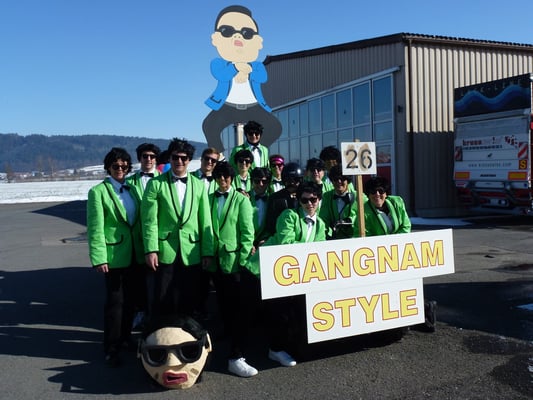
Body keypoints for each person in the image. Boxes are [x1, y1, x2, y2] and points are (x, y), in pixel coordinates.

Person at [246, 181, 327, 368]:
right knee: (269, 312)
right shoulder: (289, 215)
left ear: (319, 200)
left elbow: (320, 250)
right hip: (263, 270)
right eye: (304, 200)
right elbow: (286, 245)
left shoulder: (321, 224)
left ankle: (281, 346)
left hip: (291, 274)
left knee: (287, 312)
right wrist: (311, 249)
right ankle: (272, 350)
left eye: (313, 199)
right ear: (298, 201)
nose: (309, 203)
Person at [141, 138, 214, 320]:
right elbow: (149, 221)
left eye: (183, 158)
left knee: (189, 297)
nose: (179, 161)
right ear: (170, 158)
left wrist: (207, 251)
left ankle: (186, 333)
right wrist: (151, 249)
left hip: (192, 250)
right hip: (165, 250)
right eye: (175, 157)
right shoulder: (155, 184)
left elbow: (205, 220)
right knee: (164, 298)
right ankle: (164, 333)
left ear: (189, 160)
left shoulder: (198, 185)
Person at [87, 147, 143, 367]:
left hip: (134, 255)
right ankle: (111, 347)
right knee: (115, 304)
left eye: (124, 166)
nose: (120, 169)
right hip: (113, 256)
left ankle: (126, 337)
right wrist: (99, 258)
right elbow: (95, 228)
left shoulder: (133, 189)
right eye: (116, 166)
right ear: (108, 168)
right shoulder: (98, 192)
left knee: (131, 301)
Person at [202, 5, 282, 151]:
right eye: (227, 31)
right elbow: (220, 74)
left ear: (258, 42)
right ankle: (219, 156)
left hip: (253, 106)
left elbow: (262, 77)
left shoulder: (256, 66)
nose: (238, 36)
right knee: (209, 126)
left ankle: (255, 150)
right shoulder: (219, 63)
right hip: (227, 106)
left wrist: (248, 69)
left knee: (275, 127)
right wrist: (236, 67)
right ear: (215, 39)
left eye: (247, 33)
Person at [206, 161, 256, 377]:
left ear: (232, 178)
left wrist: (243, 261)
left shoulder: (241, 200)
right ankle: (226, 335)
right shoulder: (209, 198)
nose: (222, 180)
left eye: (226, 177)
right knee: (223, 302)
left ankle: (238, 352)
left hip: (235, 262)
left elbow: (247, 232)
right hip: (216, 260)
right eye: (219, 176)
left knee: (238, 308)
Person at [126, 143, 161, 328]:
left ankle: (157, 315)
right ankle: (140, 312)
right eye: (145, 156)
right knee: (138, 280)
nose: (148, 159)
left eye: (152, 156)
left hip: (159, 238)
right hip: (136, 239)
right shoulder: (129, 182)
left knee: (158, 280)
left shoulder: (165, 180)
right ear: (139, 158)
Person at [319, 165, 360, 240]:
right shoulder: (327, 196)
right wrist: (325, 237)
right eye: (335, 179)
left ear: (347, 180)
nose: (339, 182)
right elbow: (323, 220)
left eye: (342, 178)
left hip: (355, 238)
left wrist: (350, 220)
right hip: (335, 240)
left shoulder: (359, 196)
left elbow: (366, 217)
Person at [264, 162, 304, 238]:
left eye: (296, 180)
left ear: (301, 180)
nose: (292, 183)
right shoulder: (275, 198)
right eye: (288, 180)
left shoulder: (307, 198)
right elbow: (270, 224)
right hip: (280, 237)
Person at [247, 167, 271, 252]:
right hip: (247, 244)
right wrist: (249, 244)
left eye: (264, 181)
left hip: (265, 244)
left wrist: (266, 239)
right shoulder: (243, 198)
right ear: (251, 181)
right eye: (257, 181)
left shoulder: (272, 199)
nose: (261, 184)